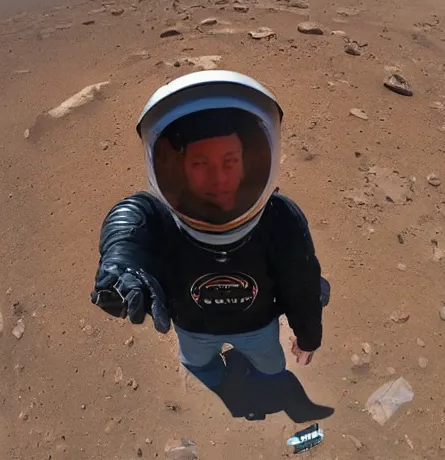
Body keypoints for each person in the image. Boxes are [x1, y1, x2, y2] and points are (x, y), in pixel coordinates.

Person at [91, 70, 329, 389]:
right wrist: (121, 259)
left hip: (255, 328)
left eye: (230, 161)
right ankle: (217, 378)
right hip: (194, 330)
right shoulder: (164, 219)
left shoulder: (279, 218)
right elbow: (133, 216)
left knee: (271, 369)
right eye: (200, 164)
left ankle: (258, 380)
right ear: (180, 170)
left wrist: (308, 336)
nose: (218, 179)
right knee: (202, 366)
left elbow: (301, 287)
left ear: (248, 163)